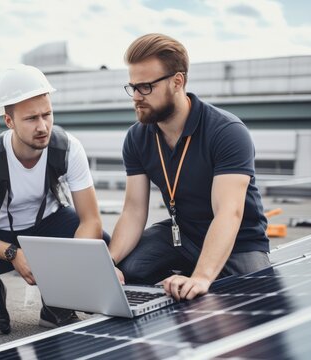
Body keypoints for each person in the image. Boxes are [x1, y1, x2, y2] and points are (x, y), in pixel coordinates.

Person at [0, 64, 108, 335]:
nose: (43, 126)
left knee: (103, 247)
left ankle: (56, 305)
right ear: (9, 121)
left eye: (47, 114)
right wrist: (12, 254)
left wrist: (75, 268)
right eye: (31, 118)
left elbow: (90, 219)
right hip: (0, 233)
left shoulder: (68, 148)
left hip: (51, 224)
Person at [109, 33, 271, 302]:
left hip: (239, 242)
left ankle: (203, 273)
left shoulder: (227, 132)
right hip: (181, 234)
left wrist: (202, 276)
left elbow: (229, 213)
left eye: (146, 87)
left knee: (258, 297)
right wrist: (109, 263)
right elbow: (134, 210)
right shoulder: (137, 137)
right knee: (129, 270)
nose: (136, 96)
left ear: (177, 81)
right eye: (132, 87)